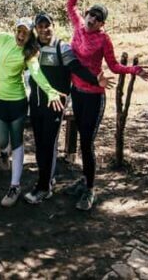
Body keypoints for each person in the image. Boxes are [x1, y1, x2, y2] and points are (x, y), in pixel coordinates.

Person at [67, 0, 148, 211]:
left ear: (102, 23)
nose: (92, 19)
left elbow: (114, 66)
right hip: (77, 92)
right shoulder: (77, 25)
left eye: (98, 18)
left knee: (87, 141)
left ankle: (90, 189)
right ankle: (84, 179)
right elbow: (70, 4)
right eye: (91, 14)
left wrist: (134, 70)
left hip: (95, 95)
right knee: (82, 139)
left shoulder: (104, 39)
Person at [24, 12, 111, 205]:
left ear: (53, 26)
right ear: (36, 29)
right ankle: (46, 181)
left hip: (54, 106)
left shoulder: (61, 47)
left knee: (47, 146)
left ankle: (43, 188)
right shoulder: (32, 48)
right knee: (40, 146)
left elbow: (77, 68)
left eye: (48, 26)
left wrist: (95, 79)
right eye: (40, 27)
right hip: (35, 105)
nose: (45, 30)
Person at [0, 19, 62, 207]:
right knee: (1, 142)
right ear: (15, 30)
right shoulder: (2, 39)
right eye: (19, 30)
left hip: (17, 102)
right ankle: (4, 153)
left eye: (26, 32)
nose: (21, 34)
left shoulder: (29, 52)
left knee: (17, 141)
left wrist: (50, 91)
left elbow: (36, 72)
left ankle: (14, 186)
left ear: (30, 35)